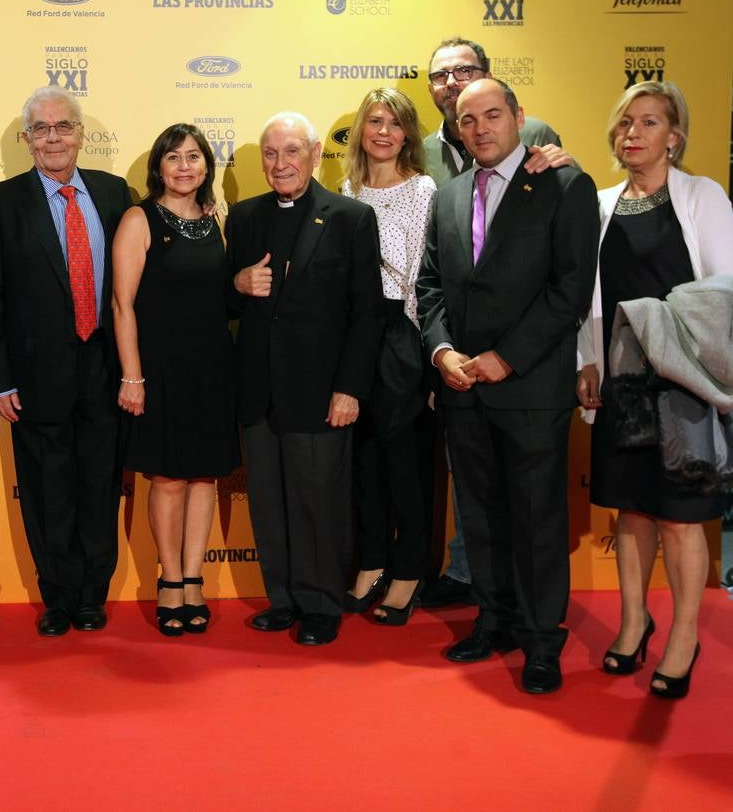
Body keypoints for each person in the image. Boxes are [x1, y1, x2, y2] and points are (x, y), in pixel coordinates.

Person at [416, 78, 599, 694]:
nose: (482, 128)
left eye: (493, 115)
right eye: (469, 121)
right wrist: (442, 350)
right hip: (462, 386)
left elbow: (568, 290)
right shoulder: (448, 195)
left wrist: (505, 358)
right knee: (481, 515)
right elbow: (431, 285)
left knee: (536, 519)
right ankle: (492, 621)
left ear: (519, 117)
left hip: (529, 388)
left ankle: (541, 641)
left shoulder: (565, 186)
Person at [576, 81, 733, 699]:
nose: (632, 133)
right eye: (624, 124)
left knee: (679, 519)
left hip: (683, 382)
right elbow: (588, 301)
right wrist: (587, 362)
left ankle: (685, 635)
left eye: (648, 122)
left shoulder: (702, 196)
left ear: (675, 135)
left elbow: (725, 292)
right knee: (632, 510)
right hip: (622, 380)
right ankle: (634, 622)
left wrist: (661, 326)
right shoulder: (599, 204)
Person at [0, 86, 132, 636]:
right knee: (46, 489)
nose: (54, 138)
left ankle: (93, 593)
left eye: (64, 127)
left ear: (82, 134)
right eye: (41, 129)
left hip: (106, 369)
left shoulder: (116, 195)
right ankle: (58, 596)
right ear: (26, 139)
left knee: (100, 485)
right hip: (34, 376)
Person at [420, 35, 572, 610]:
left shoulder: (540, 142)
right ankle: (477, 592)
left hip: (525, 365)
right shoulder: (423, 154)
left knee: (530, 505)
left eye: (466, 72)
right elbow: (432, 272)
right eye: (441, 76)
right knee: (474, 492)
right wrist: (441, 351)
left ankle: (534, 627)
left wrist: (508, 355)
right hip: (455, 357)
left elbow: (566, 271)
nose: (453, 82)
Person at [227, 111, 384, 646]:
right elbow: (223, 301)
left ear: (316, 153)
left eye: (291, 151)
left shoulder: (350, 217)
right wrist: (239, 283)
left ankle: (321, 604)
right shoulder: (244, 217)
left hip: (322, 393)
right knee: (269, 503)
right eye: (270, 154)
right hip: (257, 392)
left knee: (319, 502)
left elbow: (367, 313)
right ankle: (284, 599)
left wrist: (351, 388)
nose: (280, 164)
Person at [112, 124, 239, 636]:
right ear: (158, 167)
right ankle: (169, 580)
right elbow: (123, 306)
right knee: (166, 478)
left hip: (213, 367)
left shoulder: (217, 219)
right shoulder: (139, 220)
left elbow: (221, 297)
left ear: (207, 164)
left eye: (194, 157)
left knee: (205, 475)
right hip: (159, 370)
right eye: (174, 158)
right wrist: (133, 376)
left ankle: (194, 578)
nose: (185, 166)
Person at [340, 89, 437, 625]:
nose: (383, 132)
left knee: (404, 461)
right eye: (374, 121)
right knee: (364, 458)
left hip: (403, 328)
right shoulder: (347, 189)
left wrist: (425, 355)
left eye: (395, 124)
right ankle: (371, 561)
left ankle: (408, 570)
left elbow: (426, 272)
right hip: (357, 331)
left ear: (407, 135)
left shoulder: (422, 188)